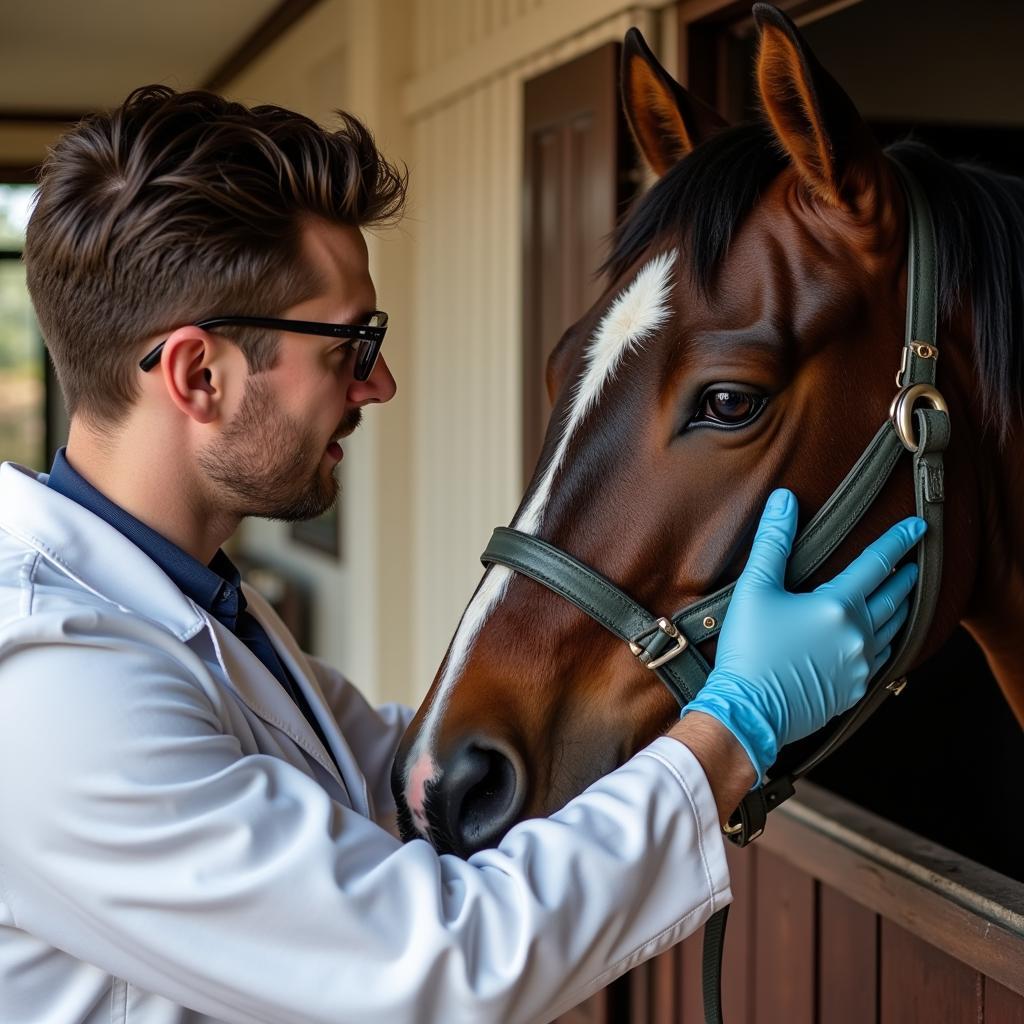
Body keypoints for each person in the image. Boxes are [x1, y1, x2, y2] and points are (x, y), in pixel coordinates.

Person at [0, 86, 924, 1024]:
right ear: (200, 374)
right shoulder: (51, 687)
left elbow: (388, 780)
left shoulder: (186, 602)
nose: (382, 383)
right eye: (352, 346)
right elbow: (434, 966)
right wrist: (737, 725)